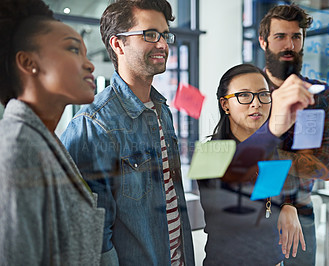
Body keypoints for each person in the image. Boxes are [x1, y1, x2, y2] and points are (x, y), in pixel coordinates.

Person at [60, 0, 195, 265]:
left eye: (165, 34)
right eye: (150, 34)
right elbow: (91, 239)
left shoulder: (161, 110)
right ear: (118, 44)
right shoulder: (93, 124)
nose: (162, 44)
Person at [0, 0, 105, 264]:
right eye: (72, 49)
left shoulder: (43, 139)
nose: (89, 64)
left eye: (84, 52)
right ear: (28, 62)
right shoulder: (17, 146)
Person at [198, 63, 316, 265]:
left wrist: (289, 205)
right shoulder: (208, 155)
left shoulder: (274, 153)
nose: (256, 104)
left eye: (263, 94)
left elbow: (273, 196)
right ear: (225, 105)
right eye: (244, 95)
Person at [258, 4, 329, 265]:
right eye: (280, 36)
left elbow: (327, 167)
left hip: (303, 213)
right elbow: (235, 160)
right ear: (263, 41)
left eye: (296, 37)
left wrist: (268, 155)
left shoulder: (321, 97)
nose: (289, 45)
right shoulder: (247, 95)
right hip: (256, 210)